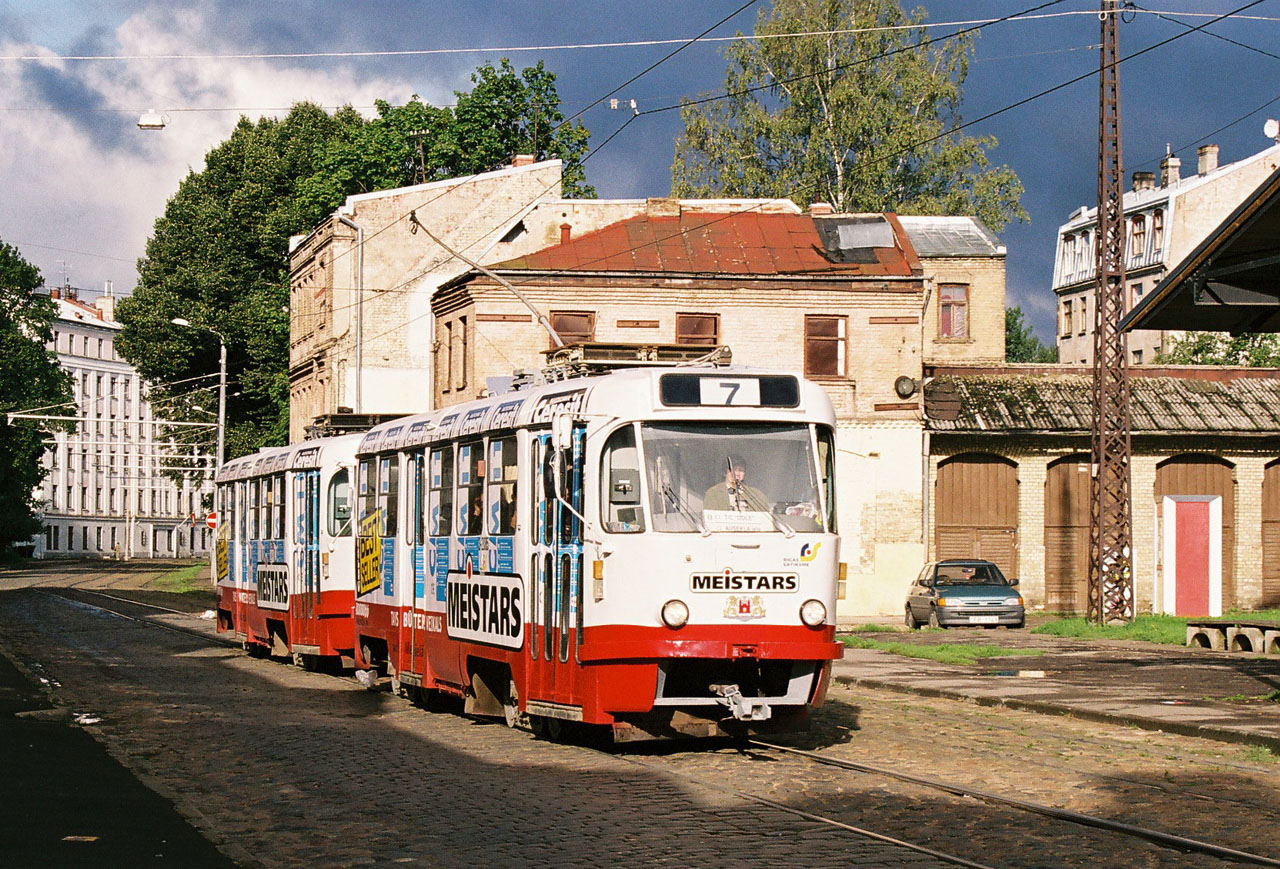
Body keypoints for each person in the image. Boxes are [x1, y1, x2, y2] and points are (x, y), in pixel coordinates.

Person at [703, 456, 769, 512]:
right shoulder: (713, 493)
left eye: (740, 470)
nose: (737, 473)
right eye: (733, 470)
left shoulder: (757, 495)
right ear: (724, 473)